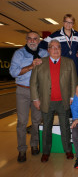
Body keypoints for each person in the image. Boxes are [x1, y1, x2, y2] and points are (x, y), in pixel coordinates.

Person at [30, 39, 78, 162]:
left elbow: (74, 80)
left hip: (63, 101)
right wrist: (35, 99)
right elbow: (33, 83)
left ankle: (68, 150)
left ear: (61, 50)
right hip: (46, 101)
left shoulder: (69, 62)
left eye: (58, 47)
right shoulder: (40, 63)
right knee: (46, 128)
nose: (56, 49)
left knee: (65, 127)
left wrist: (72, 97)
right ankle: (46, 152)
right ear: (48, 50)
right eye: (53, 47)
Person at [9, 31, 48, 162]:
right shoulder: (19, 54)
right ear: (26, 40)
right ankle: (21, 150)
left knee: (37, 121)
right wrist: (31, 66)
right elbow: (13, 72)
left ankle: (34, 144)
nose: (32, 41)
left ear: (39, 40)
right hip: (23, 91)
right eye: (30, 39)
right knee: (22, 122)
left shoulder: (44, 53)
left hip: (38, 92)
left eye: (35, 39)